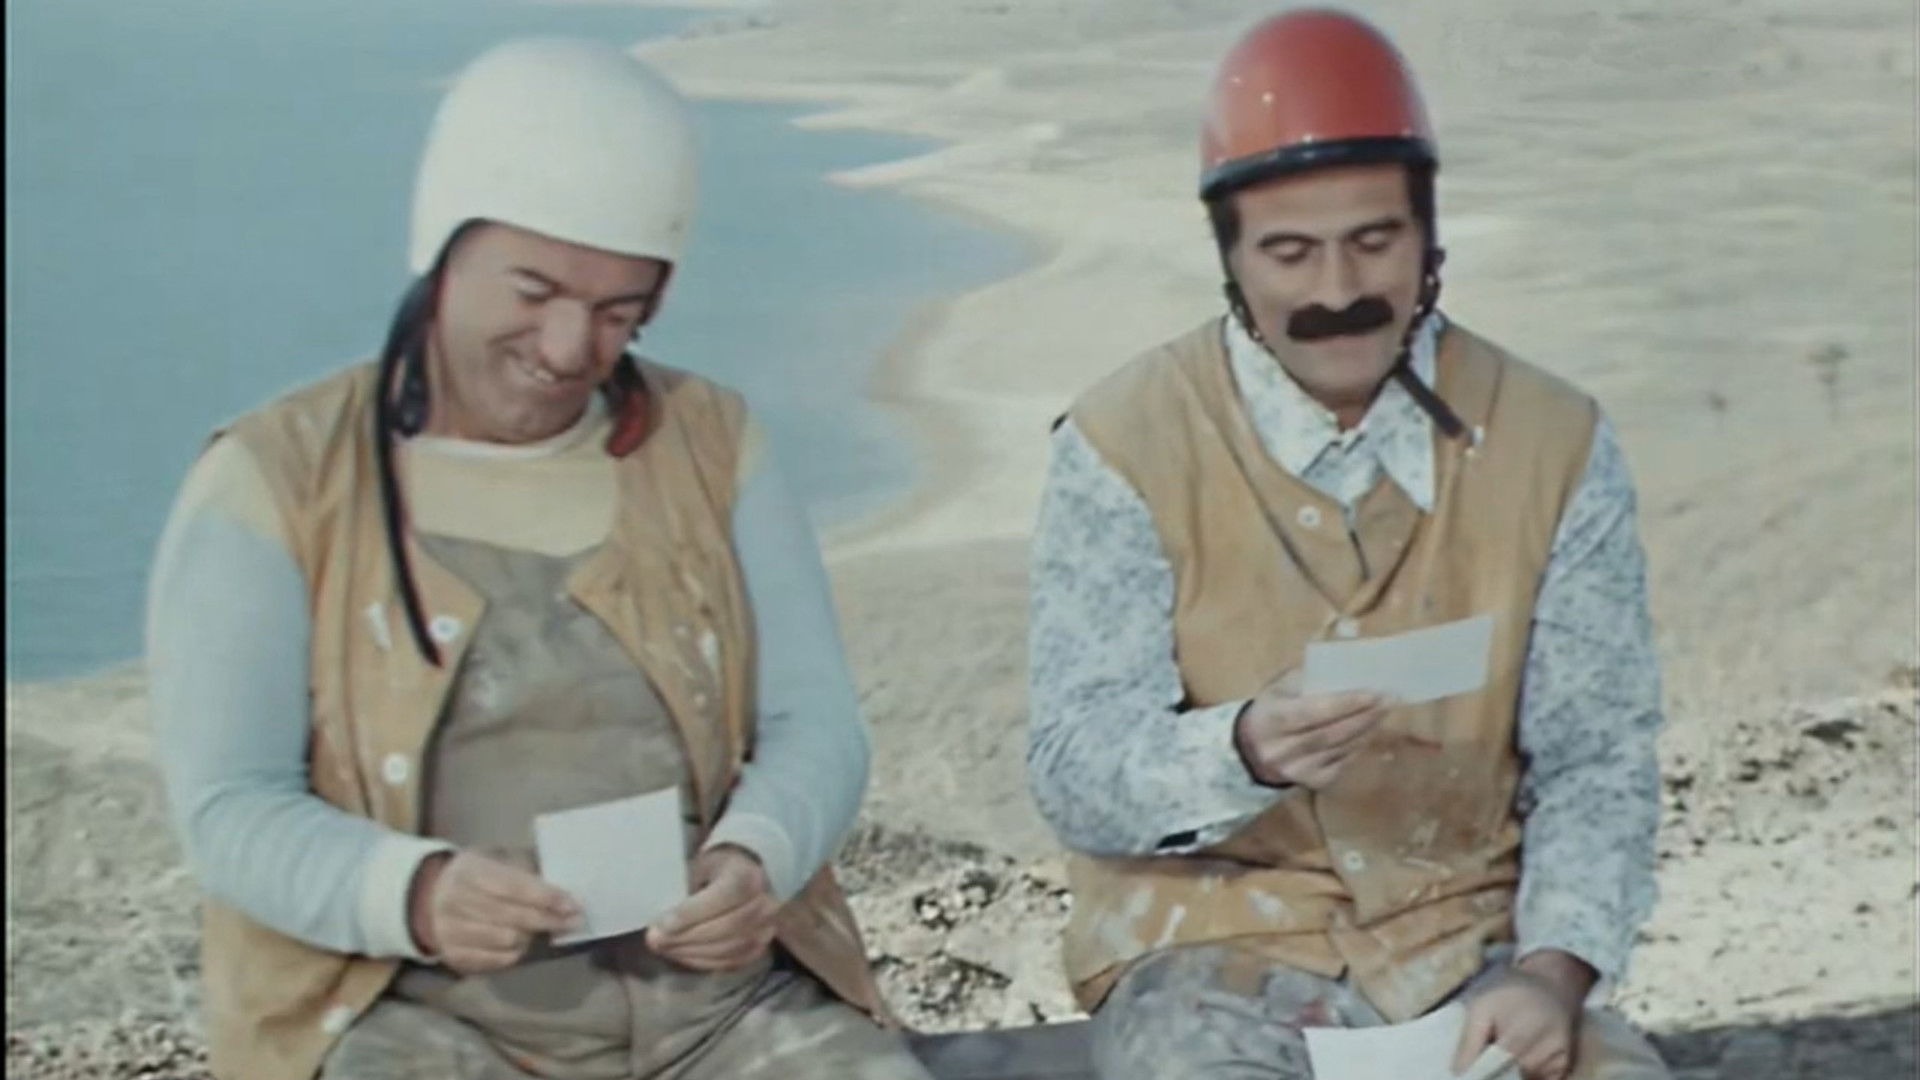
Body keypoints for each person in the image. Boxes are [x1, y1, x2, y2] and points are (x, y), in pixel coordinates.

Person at [146, 38, 931, 1080]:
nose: (568, 350)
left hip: (717, 1018)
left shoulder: (713, 445)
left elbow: (815, 723)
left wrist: (757, 857)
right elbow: (229, 805)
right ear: (444, 250)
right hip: (411, 1024)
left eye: (618, 313)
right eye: (533, 290)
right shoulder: (273, 479)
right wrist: (411, 893)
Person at [1026, 9, 1672, 1079]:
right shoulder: (1120, 442)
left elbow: (1597, 755)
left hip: (1472, 953)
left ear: (1429, 238)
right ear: (1230, 257)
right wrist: (1240, 750)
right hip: (1206, 958)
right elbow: (1072, 768)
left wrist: (1549, 976)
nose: (1337, 292)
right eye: (1290, 252)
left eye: (1375, 241)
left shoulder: (1556, 440)